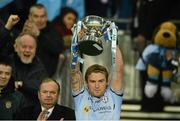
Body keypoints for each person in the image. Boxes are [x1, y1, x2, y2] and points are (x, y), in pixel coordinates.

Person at [0, 14, 48, 108]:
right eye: (24, 46)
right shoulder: (7, 61)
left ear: (35, 50)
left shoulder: (40, 67)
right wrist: (8, 27)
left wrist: (21, 84)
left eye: (31, 47)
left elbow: (43, 87)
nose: (27, 50)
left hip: (31, 110)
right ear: (16, 47)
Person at [70, 47, 123, 120]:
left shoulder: (113, 95)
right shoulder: (81, 97)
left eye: (101, 81)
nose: (97, 86)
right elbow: (74, 71)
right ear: (86, 83)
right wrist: (76, 44)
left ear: (107, 82)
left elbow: (118, 68)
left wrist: (114, 43)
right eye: (93, 81)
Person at [23, 3, 65, 77]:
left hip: (45, 76)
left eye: (42, 16)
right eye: (36, 16)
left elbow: (58, 49)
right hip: (25, 74)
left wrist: (39, 35)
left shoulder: (54, 31)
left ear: (46, 17)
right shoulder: (23, 32)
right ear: (30, 17)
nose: (40, 20)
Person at [0, 54, 25, 120]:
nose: (3, 76)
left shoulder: (18, 98)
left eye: (7, 74)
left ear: (11, 75)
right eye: (0, 72)